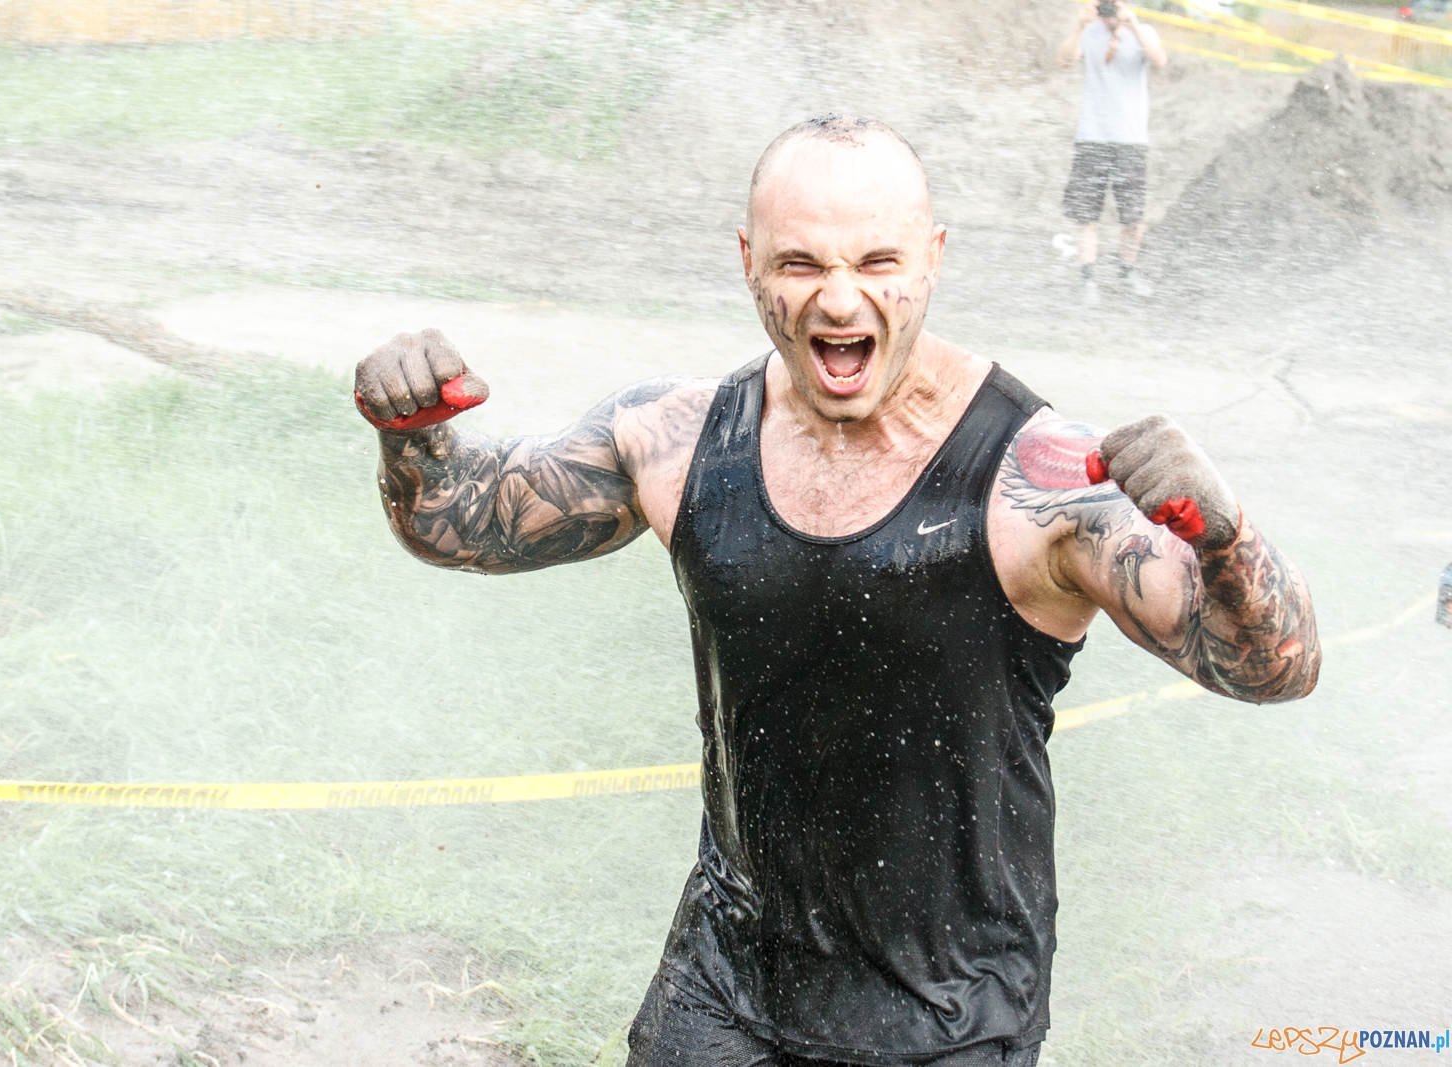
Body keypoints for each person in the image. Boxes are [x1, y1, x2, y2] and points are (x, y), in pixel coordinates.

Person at [353, 115, 1320, 1066]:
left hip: (948, 1015)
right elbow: (458, 520)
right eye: (801, 264)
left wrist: (1226, 537)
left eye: (878, 262)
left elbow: (1275, 669)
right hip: (724, 985)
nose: (841, 299)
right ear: (749, 263)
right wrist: (412, 431)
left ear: (933, 259)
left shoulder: (1035, 482)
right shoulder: (678, 439)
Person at [1057, 1, 1168, 307]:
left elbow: (1159, 60)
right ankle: (1088, 278)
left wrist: (1133, 25)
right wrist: (1080, 26)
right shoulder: (1089, 33)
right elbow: (1064, 60)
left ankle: (1127, 272)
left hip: (1131, 139)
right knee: (1086, 215)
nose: (1110, 11)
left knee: (1133, 216)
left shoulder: (1144, 32)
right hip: (1092, 137)